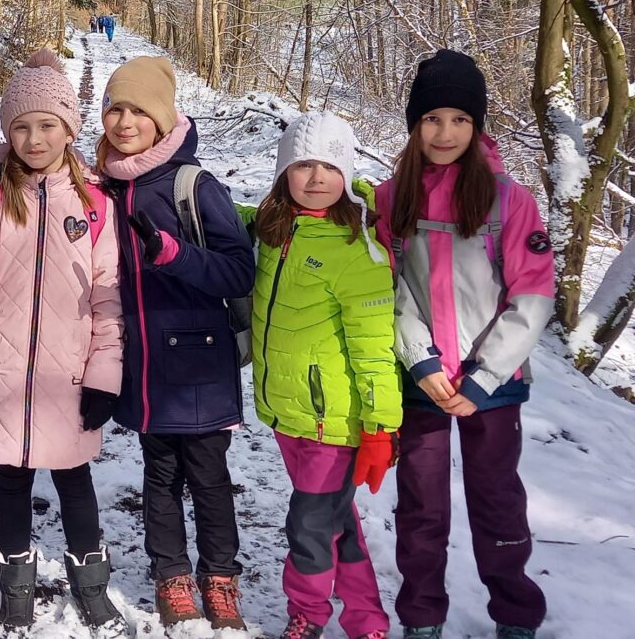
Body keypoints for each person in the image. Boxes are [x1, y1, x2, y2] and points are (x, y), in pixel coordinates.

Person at [0, 49, 126, 634]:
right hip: (2, 371)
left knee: (74, 478)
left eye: (48, 125)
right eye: (21, 127)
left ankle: (90, 585)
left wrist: (105, 375)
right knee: (11, 480)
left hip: (67, 373)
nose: (34, 138)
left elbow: (109, 298)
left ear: (70, 130)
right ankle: (16, 588)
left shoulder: (95, 205)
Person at [374, 49, 553, 639]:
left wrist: (484, 376)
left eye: (459, 119)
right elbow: (389, 288)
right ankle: (422, 615)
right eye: (431, 119)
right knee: (421, 504)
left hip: (493, 384)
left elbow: (532, 297)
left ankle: (516, 614)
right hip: (423, 379)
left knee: (497, 499)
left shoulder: (510, 200)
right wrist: (420, 360)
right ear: (414, 125)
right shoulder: (391, 198)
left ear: (477, 125)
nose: (444, 133)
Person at [95, 56, 255, 631]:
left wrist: (174, 254)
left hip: (199, 364)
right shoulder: (104, 187)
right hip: (143, 366)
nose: (125, 121)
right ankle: (172, 578)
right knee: (159, 477)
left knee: (209, 478)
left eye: (139, 111)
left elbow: (239, 271)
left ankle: (221, 579)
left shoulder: (193, 184)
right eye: (115, 108)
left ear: (162, 118)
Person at [237, 111, 399, 639]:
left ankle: (307, 614)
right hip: (287, 413)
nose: (315, 178)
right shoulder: (273, 230)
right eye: (302, 165)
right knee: (336, 522)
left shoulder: (357, 249)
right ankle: (367, 620)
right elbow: (226, 214)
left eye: (329, 167)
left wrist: (380, 427)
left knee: (308, 526)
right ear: (283, 172)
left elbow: (375, 347)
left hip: (334, 420)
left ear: (346, 173)